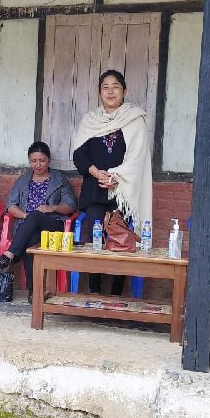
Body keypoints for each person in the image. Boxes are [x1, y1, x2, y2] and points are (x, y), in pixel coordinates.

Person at [72, 69, 153, 295]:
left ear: (124, 91)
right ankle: (95, 291)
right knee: (96, 237)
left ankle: (117, 292)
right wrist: (98, 174)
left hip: (124, 192)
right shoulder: (90, 121)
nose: (110, 91)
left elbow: (138, 158)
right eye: (105, 87)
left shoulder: (134, 120)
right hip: (96, 191)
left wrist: (116, 177)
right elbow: (79, 154)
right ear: (99, 92)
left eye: (115, 86)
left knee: (122, 240)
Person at [0, 141, 76, 303]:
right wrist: (24, 215)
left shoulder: (59, 179)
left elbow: (70, 206)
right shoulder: (23, 180)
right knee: (32, 238)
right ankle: (34, 291)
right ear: (29, 160)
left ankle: (9, 256)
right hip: (27, 228)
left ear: (49, 160)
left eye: (42, 160)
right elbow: (10, 205)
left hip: (53, 225)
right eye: (33, 161)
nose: (38, 164)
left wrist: (52, 208)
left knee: (35, 216)